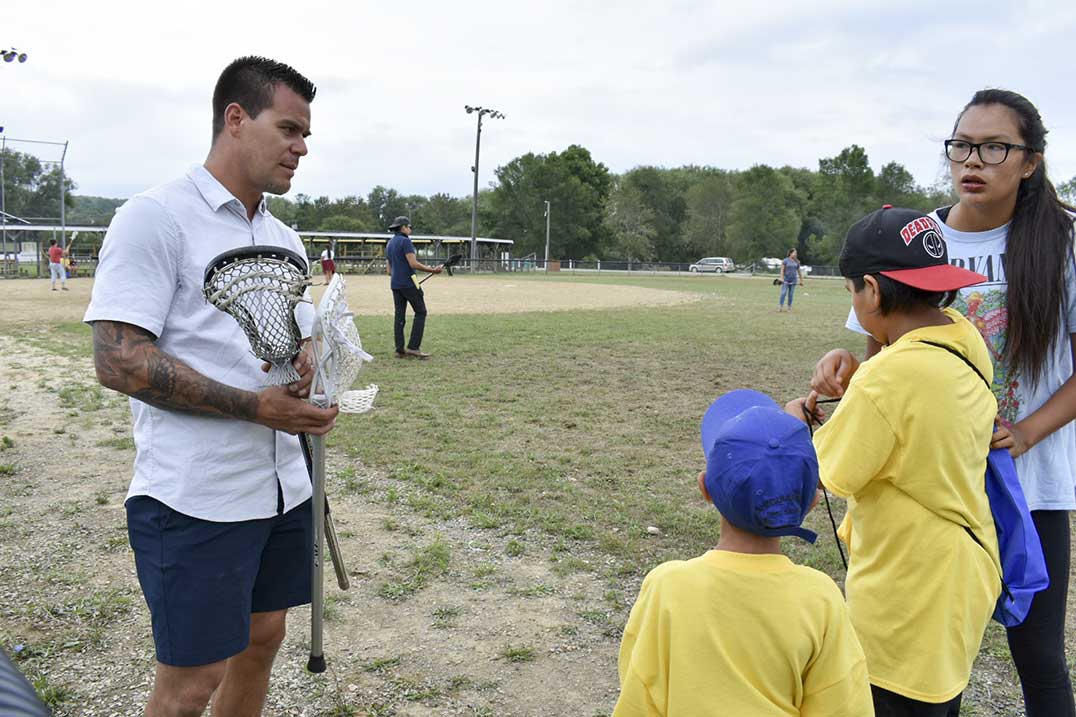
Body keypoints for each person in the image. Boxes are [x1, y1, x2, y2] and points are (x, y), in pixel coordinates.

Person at [83, 56, 338, 717]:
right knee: (192, 682)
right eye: (288, 129)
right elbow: (117, 360)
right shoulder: (155, 217)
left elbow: (294, 339)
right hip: (196, 495)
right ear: (235, 118)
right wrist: (255, 407)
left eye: (305, 134)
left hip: (282, 485)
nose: (301, 148)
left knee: (263, 637)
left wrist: (308, 359)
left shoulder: (284, 236)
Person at [814, 90, 1076, 717]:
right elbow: (884, 354)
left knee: (1039, 654)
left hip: (1027, 484)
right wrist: (847, 368)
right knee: (924, 659)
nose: (973, 160)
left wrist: (1028, 431)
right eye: (962, 145)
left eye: (995, 147)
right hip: (931, 488)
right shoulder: (918, 235)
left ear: (1031, 162)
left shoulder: (1064, 241)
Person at [796, 206, 1000, 715]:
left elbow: (824, 473)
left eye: (852, 291)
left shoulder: (889, 377)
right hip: (960, 575)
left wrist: (793, 420)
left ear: (872, 289)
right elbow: (912, 409)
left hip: (905, 593)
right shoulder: (962, 336)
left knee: (890, 699)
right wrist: (861, 373)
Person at [613, 388, 873, 717]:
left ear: (705, 488)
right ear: (812, 502)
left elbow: (639, 696)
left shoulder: (666, 587)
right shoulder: (821, 599)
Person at [385, 216, 441, 359]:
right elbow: (413, 264)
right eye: (409, 227)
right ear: (403, 227)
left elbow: (389, 271)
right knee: (421, 312)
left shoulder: (390, 244)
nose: (410, 229)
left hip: (395, 284)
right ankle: (413, 348)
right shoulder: (406, 242)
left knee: (399, 315)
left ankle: (399, 350)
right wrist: (433, 270)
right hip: (410, 282)